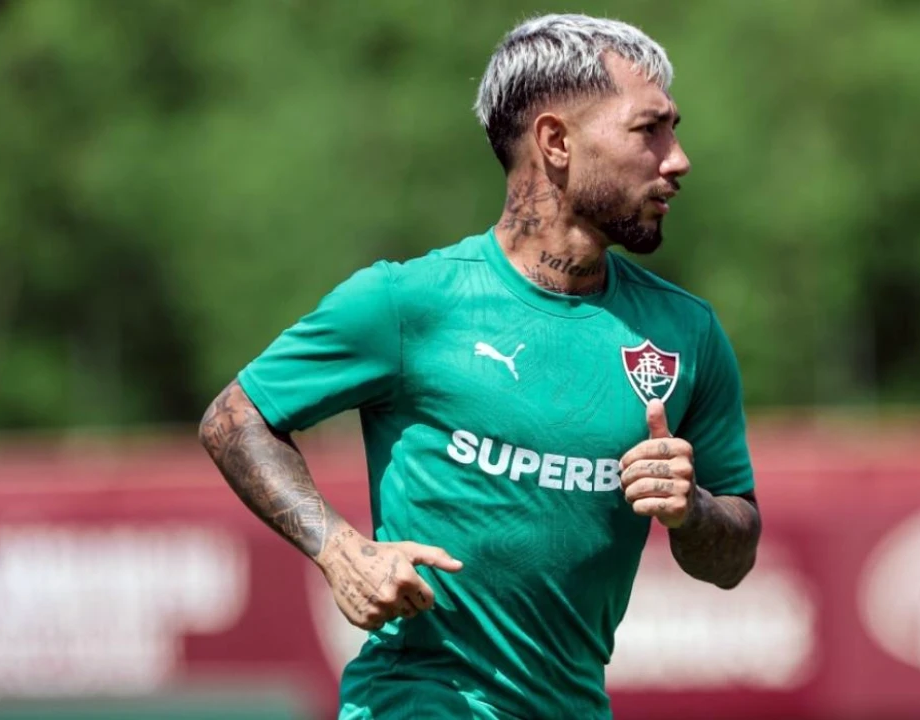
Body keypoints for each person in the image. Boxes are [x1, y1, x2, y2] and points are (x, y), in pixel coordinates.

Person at [199, 13, 761, 720]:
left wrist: (694, 510)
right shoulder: (408, 303)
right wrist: (339, 550)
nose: (677, 159)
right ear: (556, 141)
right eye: (649, 130)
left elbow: (732, 559)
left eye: (673, 130)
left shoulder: (687, 334)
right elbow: (234, 417)